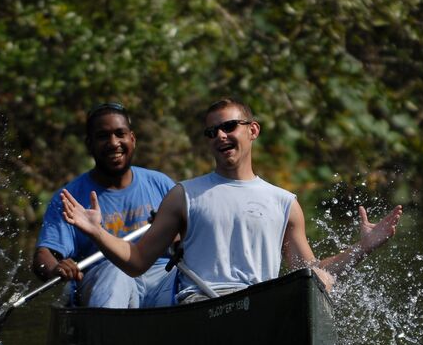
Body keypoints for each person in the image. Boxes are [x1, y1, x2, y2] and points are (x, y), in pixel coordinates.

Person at [58, 97, 403, 302]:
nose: (220, 136)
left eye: (229, 127)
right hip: (201, 306)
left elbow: (310, 274)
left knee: (309, 286)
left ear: (252, 131)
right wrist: (98, 233)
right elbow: (137, 262)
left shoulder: (284, 201)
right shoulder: (183, 195)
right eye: (212, 132)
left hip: (260, 305)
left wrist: (363, 249)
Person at [32, 102, 178, 308]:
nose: (113, 143)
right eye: (103, 136)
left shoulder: (161, 184)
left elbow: (187, 239)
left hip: (160, 276)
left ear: (132, 139)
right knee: (118, 273)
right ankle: (110, 333)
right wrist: (55, 268)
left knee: (187, 278)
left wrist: (176, 233)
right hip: (104, 278)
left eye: (120, 134)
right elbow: (44, 255)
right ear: (89, 144)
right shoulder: (69, 198)